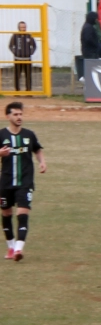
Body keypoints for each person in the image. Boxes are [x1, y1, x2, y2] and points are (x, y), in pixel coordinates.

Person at [0, 102, 45, 262]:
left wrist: (42, 162)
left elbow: (37, 149)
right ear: (8, 116)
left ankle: (19, 249)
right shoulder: (1, 135)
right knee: (6, 214)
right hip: (5, 183)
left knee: (22, 213)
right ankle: (11, 247)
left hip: (24, 182)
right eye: (15, 114)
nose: (19, 117)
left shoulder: (29, 135)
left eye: (20, 114)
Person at [9, 23, 37, 93]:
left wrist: (30, 52)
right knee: (17, 76)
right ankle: (17, 91)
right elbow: (10, 46)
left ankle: (28, 91)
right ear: (18, 28)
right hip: (18, 59)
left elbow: (34, 46)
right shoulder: (15, 36)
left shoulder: (29, 36)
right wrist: (15, 52)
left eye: (24, 27)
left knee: (28, 76)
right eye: (22, 27)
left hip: (27, 59)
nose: (23, 29)